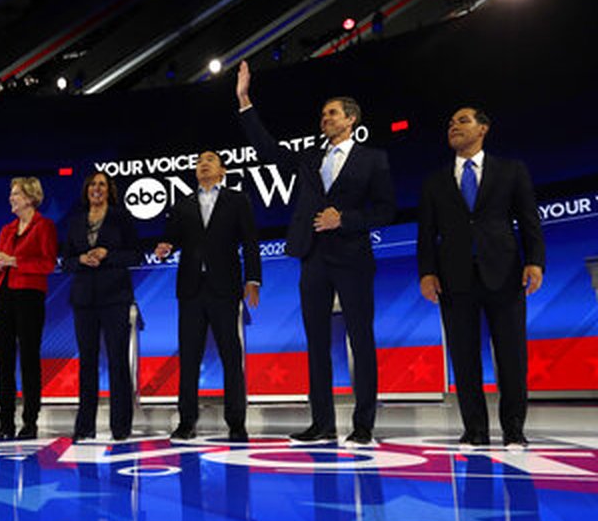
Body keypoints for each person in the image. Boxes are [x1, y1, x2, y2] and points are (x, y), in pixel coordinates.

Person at [236, 61, 395, 446]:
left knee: (361, 338)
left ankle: (363, 424)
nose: (324, 118)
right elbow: (269, 151)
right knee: (317, 342)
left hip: (353, 256)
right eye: (323, 113)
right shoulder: (310, 156)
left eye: (332, 113)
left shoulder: (373, 158)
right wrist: (244, 101)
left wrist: (345, 219)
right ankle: (322, 423)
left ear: (351, 119)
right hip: (314, 258)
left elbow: (386, 210)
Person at [417, 107, 545, 449]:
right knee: (464, 355)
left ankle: (514, 429)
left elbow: (529, 220)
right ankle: (474, 430)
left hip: (504, 275)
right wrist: (427, 272)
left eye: (462, 121)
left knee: (512, 355)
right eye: (450, 122)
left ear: (483, 128)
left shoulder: (511, 170)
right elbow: (426, 234)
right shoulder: (435, 181)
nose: (453, 126)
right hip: (454, 279)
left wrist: (535, 261)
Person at [154, 150, 261, 442]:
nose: (203, 164)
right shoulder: (182, 205)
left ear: (222, 171)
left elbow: (250, 241)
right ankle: (187, 422)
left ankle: (236, 423)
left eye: (210, 160)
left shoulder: (237, 200)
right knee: (188, 358)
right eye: (199, 161)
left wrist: (253, 279)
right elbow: (171, 238)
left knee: (230, 355)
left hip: (224, 288)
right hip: (190, 291)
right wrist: (164, 247)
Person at [63, 172, 140, 441]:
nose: (97, 189)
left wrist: (108, 254)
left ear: (109, 190)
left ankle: (121, 427)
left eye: (102, 185)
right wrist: (81, 258)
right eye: (92, 184)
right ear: (87, 190)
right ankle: (85, 427)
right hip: (84, 299)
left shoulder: (121, 218)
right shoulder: (75, 222)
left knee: (118, 361)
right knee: (87, 363)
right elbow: (66, 261)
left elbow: (136, 255)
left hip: (114, 298)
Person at [0, 177, 58, 441]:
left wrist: (15, 261)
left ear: (30, 197)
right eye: (11, 193)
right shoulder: (7, 229)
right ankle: (5, 422)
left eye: (15, 194)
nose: (11, 198)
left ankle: (30, 421)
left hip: (29, 295)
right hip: (4, 294)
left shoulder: (44, 226)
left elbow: (48, 264)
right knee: (3, 360)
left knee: (29, 358)